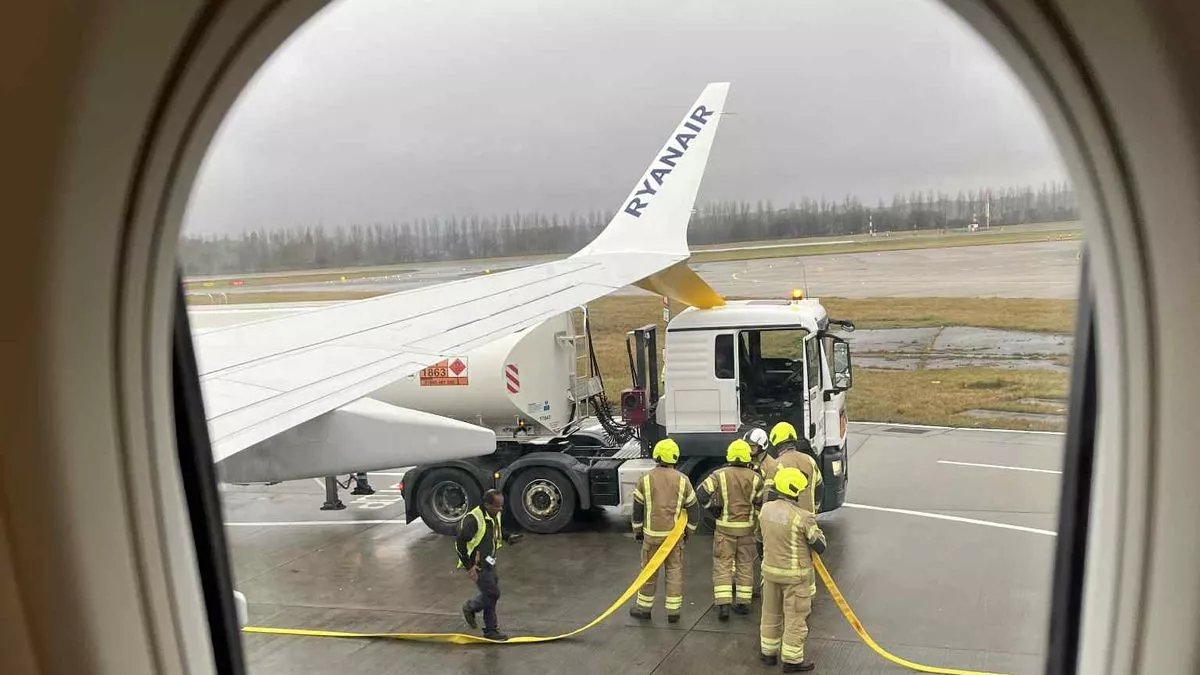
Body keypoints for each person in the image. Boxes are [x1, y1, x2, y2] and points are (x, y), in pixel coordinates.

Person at [759, 467, 826, 672]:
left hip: (769, 572)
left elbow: (759, 538)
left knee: (770, 614)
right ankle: (792, 660)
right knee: (796, 618)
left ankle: (768, 653)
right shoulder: (802, 517)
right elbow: (820, 545)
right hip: (795, 577)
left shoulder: (765, 510)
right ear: (795, 490)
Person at [630, 437, 702, 622]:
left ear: (657, 456)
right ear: (675, 457)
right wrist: (689, 532)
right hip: (673, 538)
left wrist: (638, 531)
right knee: (674, 573)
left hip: (652, 537)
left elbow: (637, 508)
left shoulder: (645, 479)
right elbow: (694, 509)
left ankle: (644, 609)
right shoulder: (683, 480)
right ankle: (673, 612)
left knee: (648, 572)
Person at [696, 438, 764, 620]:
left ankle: (724, 605)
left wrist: (713, 509)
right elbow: (760, 504)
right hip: (747, 530)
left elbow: (701, 494)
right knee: (745, 565)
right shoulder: (756, 478)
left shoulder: (719, 475)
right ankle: (743, 603)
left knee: (723, 565)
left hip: (724, 530)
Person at [457, 489, 515, 640]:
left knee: (491, 595)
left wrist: (508, 537)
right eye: (497, 506)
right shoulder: (474, 520)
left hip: (490, 561)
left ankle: (490, 630)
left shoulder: (494, 514)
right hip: (478, 565)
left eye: (501, 506)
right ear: (487, 505)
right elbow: (460, 543)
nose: (500, 509)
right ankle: (470, 608)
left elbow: (496, 530)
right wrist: (469, 567)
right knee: (492, 593)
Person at [765, 422, 823, 513]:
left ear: (776, 444)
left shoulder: (776, 465)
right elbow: (819, 486)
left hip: (786, 521)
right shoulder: (810, 461)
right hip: (809, 518)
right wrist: (815, 508)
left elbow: (768, 497)